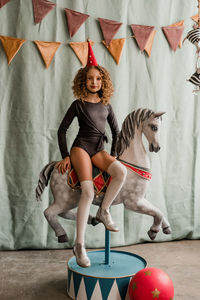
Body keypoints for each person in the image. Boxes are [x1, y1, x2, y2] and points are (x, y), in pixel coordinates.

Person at [56, 41, 127, 268]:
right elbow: (62, 130)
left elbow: (116, 131)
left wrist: (113, 154)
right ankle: (79, 244)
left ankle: (104, 211)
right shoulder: (78, 104)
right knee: (87, 191)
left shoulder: (106, 105)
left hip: (98, 149)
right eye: (90, 79)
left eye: (98, 79)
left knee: (121, 171)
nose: (94, 82)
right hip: (80, 148)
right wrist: (66, 155)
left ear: (103, 81)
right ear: (83, 81)